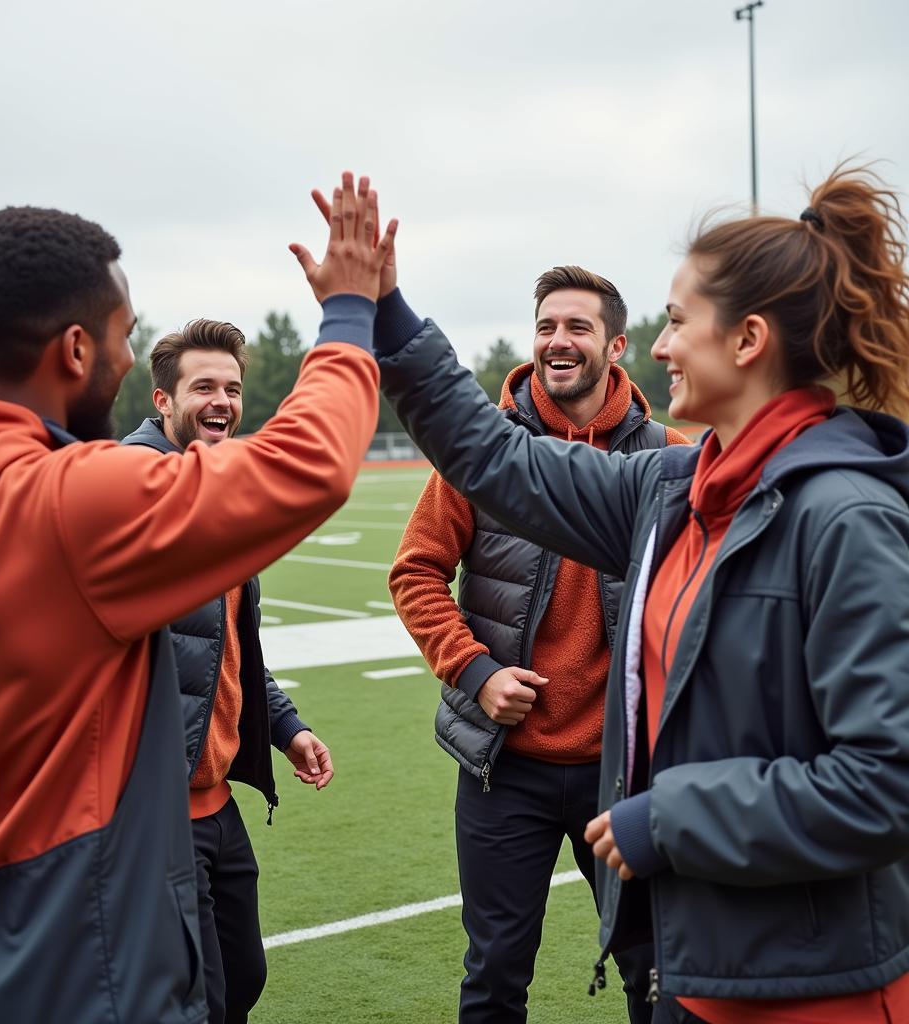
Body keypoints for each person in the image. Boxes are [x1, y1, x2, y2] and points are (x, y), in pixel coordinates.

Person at [323, 166, 909, 1023]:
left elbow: (884, 784)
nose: (662, 347)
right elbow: (498, 459)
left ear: (747, 341)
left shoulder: (847, 517)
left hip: (810, 988)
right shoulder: (673, 489)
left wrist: (670, 818)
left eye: (677, 323)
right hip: (701, 964)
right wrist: (386, 311)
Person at [0, 174, 394, 1022]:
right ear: (76, 351)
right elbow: (307, 466)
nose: (127, 361)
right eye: (122, 338)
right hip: (70, 954)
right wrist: (349, 311)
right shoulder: (68, 501)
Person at [388, 265, 687, 1023]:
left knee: (652, 966)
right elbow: (416, 570)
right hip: (505, 769)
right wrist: (474, 670)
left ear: (616, 345)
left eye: (578, 327)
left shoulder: (668, 457)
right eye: (547, 326)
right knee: (493, 973)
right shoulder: (481, 452)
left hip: (624, 772)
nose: (559, 341)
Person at [122, 318, 334, 1024]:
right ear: (162, 399)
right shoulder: (131, 491)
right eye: (203, 386)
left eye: (233, 388)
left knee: (241, 979)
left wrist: (286, 728)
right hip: (157, 813)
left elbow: (225, 653)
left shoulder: (215, 495)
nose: (221, 401)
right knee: (201, 999)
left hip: (218, 805)